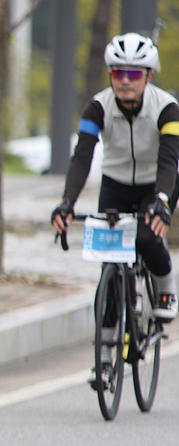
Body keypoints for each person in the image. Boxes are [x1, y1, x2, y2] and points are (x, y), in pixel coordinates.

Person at [51, 31, 178, 320]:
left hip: (157, 182)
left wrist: (162, 199)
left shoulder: (168, 109)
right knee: (109, 252)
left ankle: (166, 287)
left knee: (146, 236)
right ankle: (114, 328)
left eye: (134, 74)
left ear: (148, 76)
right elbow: (82, 156)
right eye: (119, 73)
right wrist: (67, 202)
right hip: (115, 183)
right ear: (110, 74)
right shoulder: (97, 107)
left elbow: (170, 159)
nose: (125, 81)